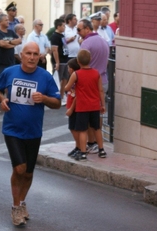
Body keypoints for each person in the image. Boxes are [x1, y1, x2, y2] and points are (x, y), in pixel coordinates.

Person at [0, 42, 61, 226]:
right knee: (19, 169)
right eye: (28, 53)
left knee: (29, 173)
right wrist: (2, 99)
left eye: (35, 54)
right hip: (12, 129)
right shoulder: (10, 72)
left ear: (40, 57)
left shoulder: (45, 77)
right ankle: (15, 207)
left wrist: (44, 98)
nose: (32, 57)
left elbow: (57, 102)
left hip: (33, 131)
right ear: (21, 55)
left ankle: (22, 202)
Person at [64, 49, 106, 161]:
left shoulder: (76, 74)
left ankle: (83, 152)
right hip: (94, 105)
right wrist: (103, 104)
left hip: (82, 106)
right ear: (90, 59)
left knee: (82, 130)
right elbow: (100, 90)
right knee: (96, 128)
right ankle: (101, 150)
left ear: (78, 61)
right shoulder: (96, 73)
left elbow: (67, 88)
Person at [77, 19, 109, 154]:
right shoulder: (103, 41)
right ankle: (97, 142)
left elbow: (81, 64)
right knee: (97, 115)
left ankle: (91, 143)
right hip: (104, 80)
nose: (78, 32)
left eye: (79, 30)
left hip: (91, 83)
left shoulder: (86, 43)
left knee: (88, 116)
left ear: (87, 29)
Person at [0, 14, 21, 84]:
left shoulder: (11, 32)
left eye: (8, 20)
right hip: (0, 65)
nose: (8, 22)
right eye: (6, 20)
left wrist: (9, 43)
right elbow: (2, 44)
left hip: (11, 63)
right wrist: (12, 43)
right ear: (0, 22)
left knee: (10, 83)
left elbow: (19, 40)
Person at [64, 58, 80, 158]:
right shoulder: (72, 77)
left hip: (74, 107)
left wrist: (71, 109)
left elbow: (77, 95)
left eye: (69, 67)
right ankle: (77, 146)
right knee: (73, 128)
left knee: (73, 128)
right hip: (71, 105)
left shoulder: (75, 79)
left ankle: (79, 146)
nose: (68, 69)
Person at [50, 18, 69, 104]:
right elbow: (54, 50)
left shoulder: (62, 35)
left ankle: (61, 96)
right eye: (63, 26)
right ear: (58, 26)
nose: (65, 27)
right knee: (58, 79)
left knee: (65, 78)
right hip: (60, 61)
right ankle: (54, 96)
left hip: (65, 60)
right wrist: (57, 62)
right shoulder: (55, 36)